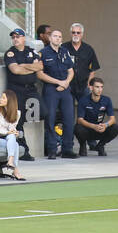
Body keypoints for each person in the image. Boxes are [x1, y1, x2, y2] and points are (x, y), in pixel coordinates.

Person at [37, 27, 78, 159]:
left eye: (60, 37)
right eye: (55, 36)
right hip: (51, 90)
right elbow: (40, 74)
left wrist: (65, 83)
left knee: (69, 118)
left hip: (65, 89)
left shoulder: (64, 52)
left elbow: (71, 71)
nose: (58, 39)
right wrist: (58, 82)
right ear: (50, 38)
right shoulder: (43, 53)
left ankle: (67, 149)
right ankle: (52, 150)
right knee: (50, 119)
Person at [2, 27, 40, 161]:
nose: (15, 39)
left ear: (24, 38)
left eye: (18, 36)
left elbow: (40, 66)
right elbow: (15, 70)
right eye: (13, 37)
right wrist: (30, 67)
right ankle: (24, 151)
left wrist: (22, 65)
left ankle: (26, 117)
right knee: (17, 121)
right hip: (16, 90)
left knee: (44, 111)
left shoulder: (31, 51)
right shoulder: (10, 53)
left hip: (31, 90)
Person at [75, 76, 118, 157]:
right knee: (77, 128)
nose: (100, 89)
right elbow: (80, 120)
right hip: (87, 129)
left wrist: (105, 125)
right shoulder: (83, 100)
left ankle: (100, 145)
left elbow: (113, 119)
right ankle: (83, 146)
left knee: (116, 128)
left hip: (100, 129)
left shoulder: (106, 100)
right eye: (97, 87)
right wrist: (93, 126)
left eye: (101, 87)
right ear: (91, 87)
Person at [0, 90, 25, 180]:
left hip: (7, 138)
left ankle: (11, 162)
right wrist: (6, 132)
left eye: (3, 98)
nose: (0, 99)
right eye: (1, 97)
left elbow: (11, 128)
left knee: (12, 138)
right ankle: (15, 170)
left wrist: (15, 132)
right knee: (15, 144)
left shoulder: (17, 113)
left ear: (10, 101)